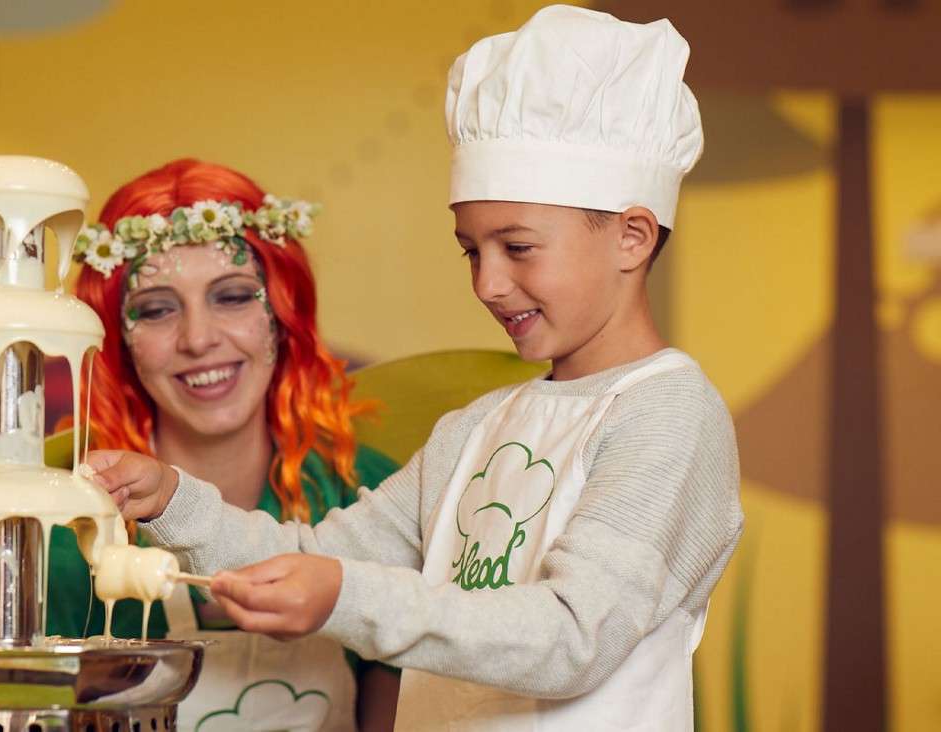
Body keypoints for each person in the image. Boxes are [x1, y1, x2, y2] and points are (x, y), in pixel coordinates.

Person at [83, 6, 744, 731]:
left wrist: (345, 598)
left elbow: (572, 635)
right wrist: (174, 498)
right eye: (472, 250)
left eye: (517, 248)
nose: (487, 283)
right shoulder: (479, 429)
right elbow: (318, 553)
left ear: (632, 236)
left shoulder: (667, 414)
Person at [44, 159, 402, 731]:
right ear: (117, 342)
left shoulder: (367, 492)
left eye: (233, 296)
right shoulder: (70, 533)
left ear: (283, 318)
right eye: (157, 309)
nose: (199, 339)